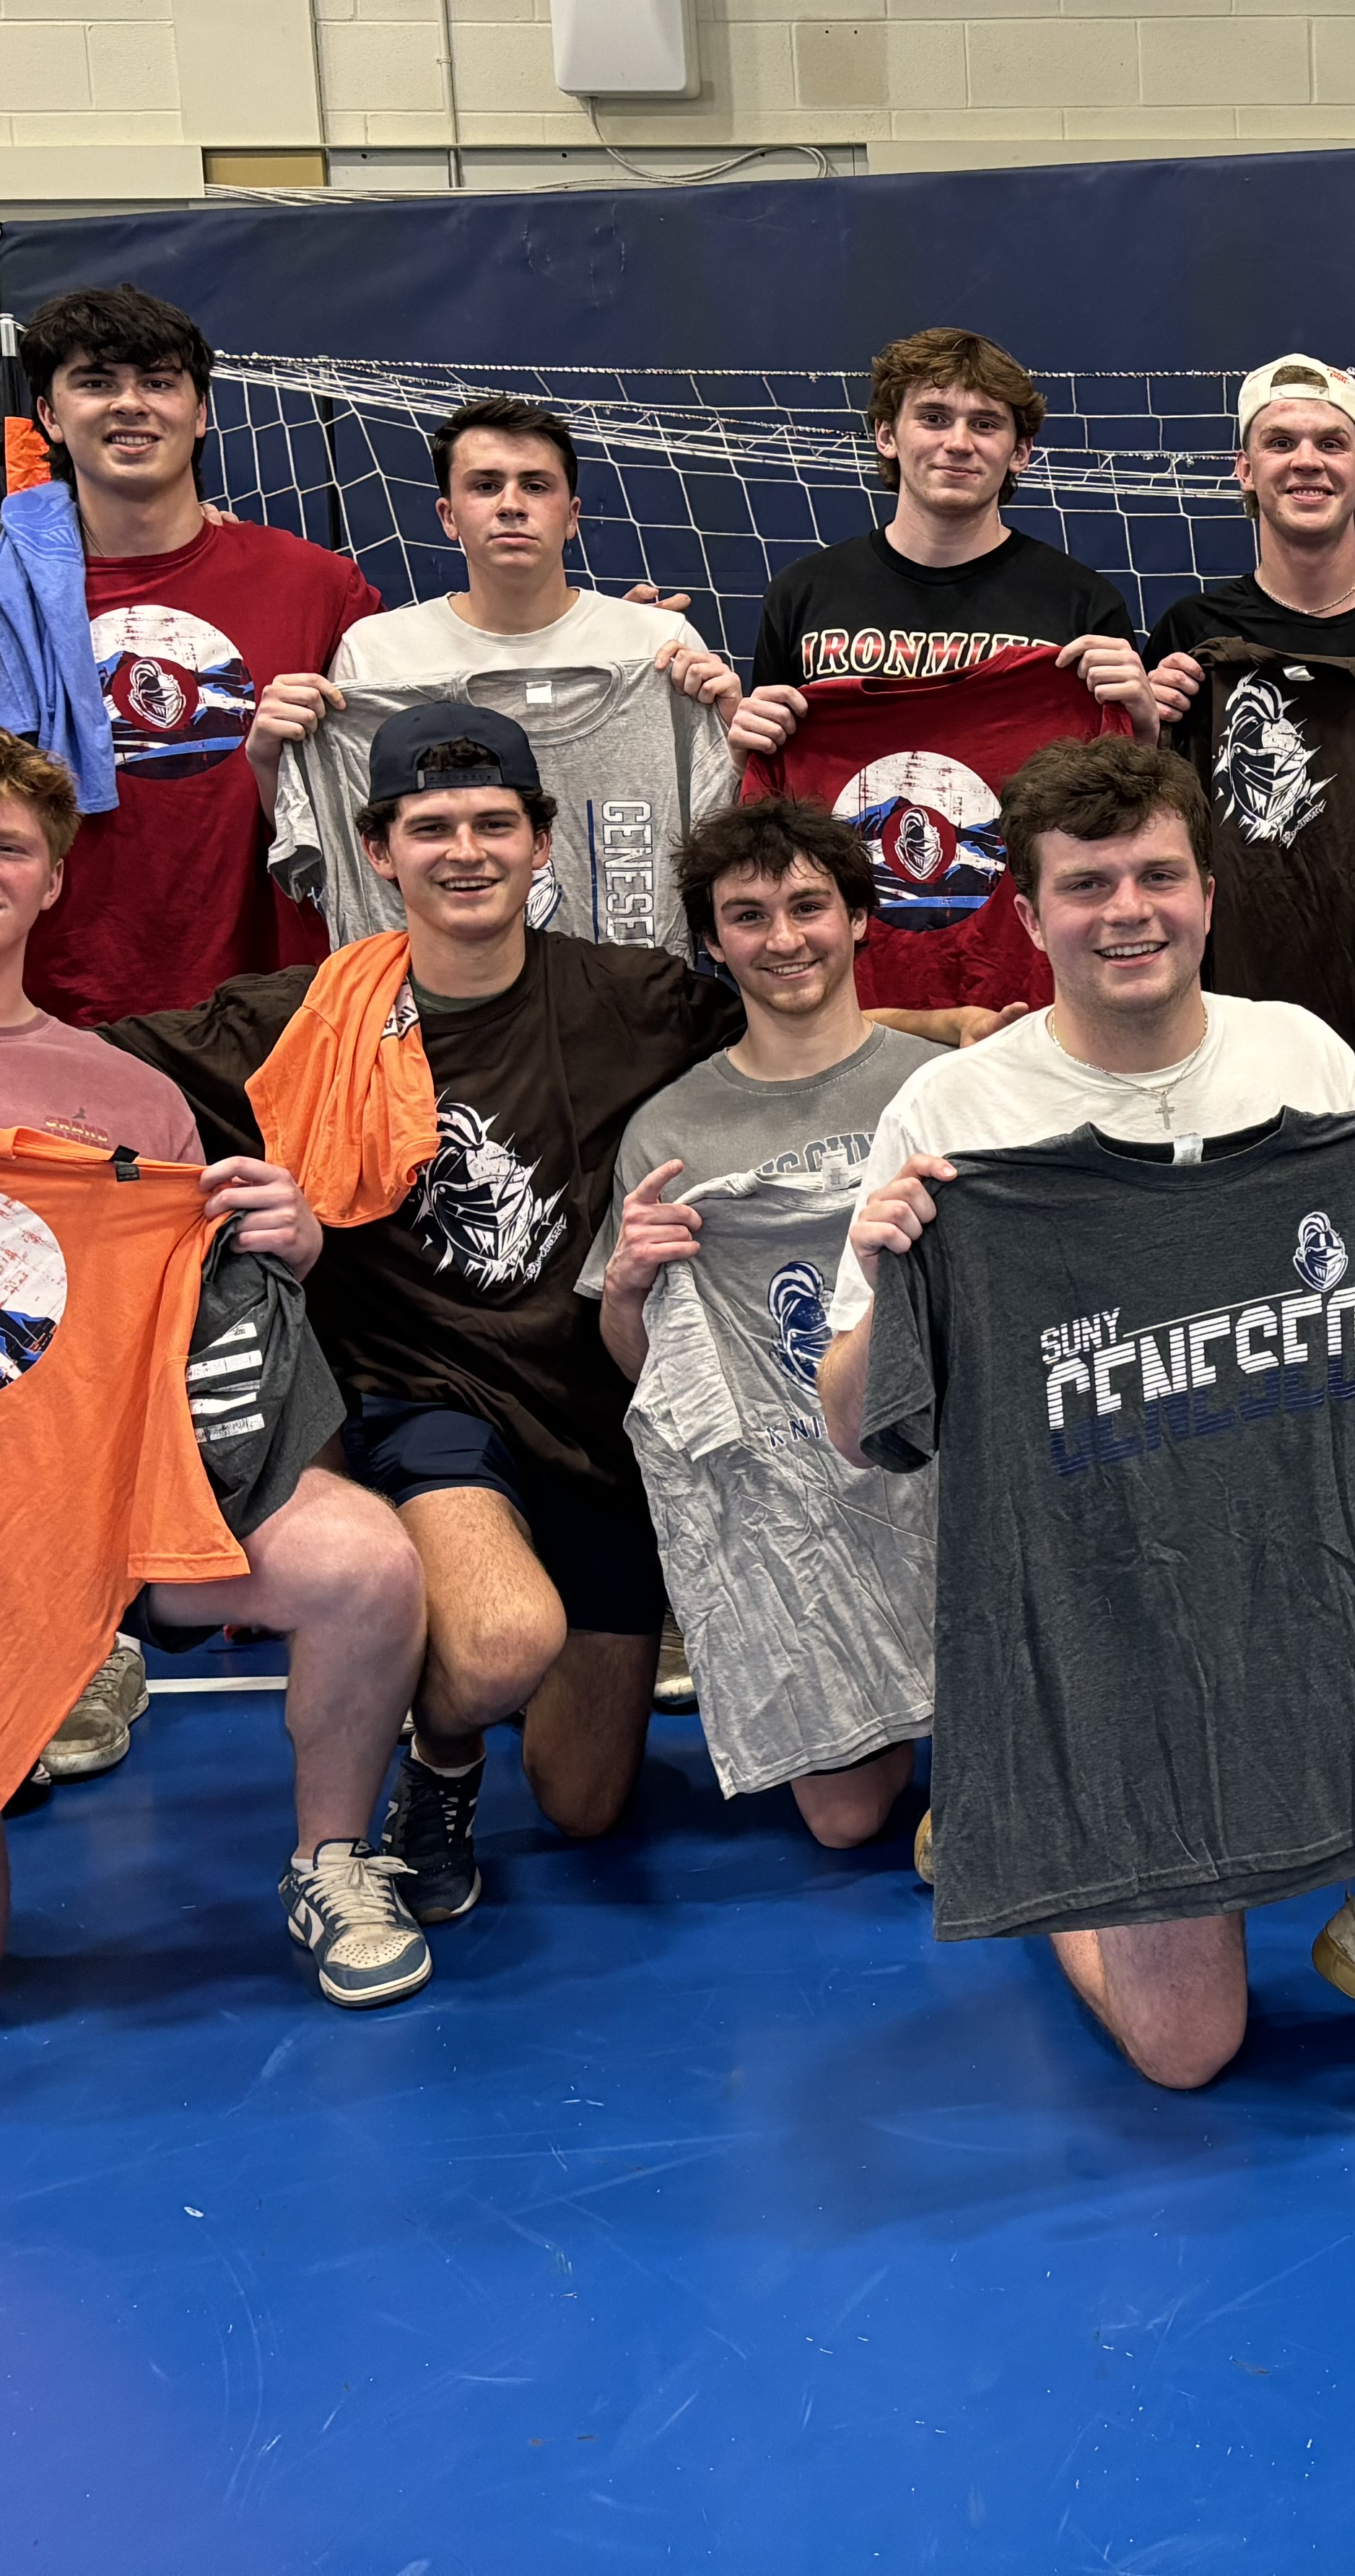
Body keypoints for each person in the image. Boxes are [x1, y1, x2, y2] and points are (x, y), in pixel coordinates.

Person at [815, 737, 1355, 2092]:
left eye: (1159, 875)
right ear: (1027, 910)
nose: (1129, 910)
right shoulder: (955, 1110)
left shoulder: (1296, 1049)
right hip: (1121, 1590)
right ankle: (1074, 1867)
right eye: (1089, 884)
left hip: (1342, 1515)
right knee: (1187, 2049)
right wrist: (895, 1278)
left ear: (1208, 890)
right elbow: (851, 1422)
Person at [107, 707, 979, 1915]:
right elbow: (69, 1071)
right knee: (503, 1639)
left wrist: (976, 1036)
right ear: (378, 849)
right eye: (430, 827)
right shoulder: (293, 1023)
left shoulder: (636, 999)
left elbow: (801, 1014)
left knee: (583, 1800)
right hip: (429, 1407)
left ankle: (465, 1686)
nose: (464, 849)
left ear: (539, 839)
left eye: (491, 823)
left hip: (595, 1424)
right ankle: (443, 1756)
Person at [0, 723, 433, 2012]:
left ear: (54, 879)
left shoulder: (127, 1098)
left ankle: (333, 1857)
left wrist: (283, 1244)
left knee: (363, 1563)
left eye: (7, 845)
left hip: (92, 1506)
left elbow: (166, 1326)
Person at [582, 793, 944, 1851]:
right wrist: (630, 1292)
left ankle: (993, 1739)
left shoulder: (938, 1088)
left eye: (808, 906)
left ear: (862, 918)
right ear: (709, 941)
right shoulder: (672, 1131)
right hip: (800, 1505)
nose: (784, 939)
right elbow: (654, 1382)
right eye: (748, 916)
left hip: (947, 1480)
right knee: (842, 1823)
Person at [0, 282, 385, 1022]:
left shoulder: (317, 585)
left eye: (158, 382)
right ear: (52, 419)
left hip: (273, 1008)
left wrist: (612, 627)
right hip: (40, 1010)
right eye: (96, 383)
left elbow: (406, 765)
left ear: (201, 412)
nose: (130, 403)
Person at [1141, 351, 1355, 1009]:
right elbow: (1151, 832)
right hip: (1230, 993)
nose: (1306, 461)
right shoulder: (1193, 632)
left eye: (1331, 443)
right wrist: (1146, 730)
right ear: (1245, 471)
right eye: (1279, 442)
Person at [728, 328, 1150, 746]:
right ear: (887, 436)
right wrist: (743, 756)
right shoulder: (801, 594)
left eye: (985, 424)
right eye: (934, 418)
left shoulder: (1083, 605)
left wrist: (1146, 734)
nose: (959, 443)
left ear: (1019, 452)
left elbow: (1114, 798)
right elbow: (773, 787)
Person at [337, 393, 740, 704]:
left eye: (535, 486)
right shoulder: (377, 654)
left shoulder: (658, 644)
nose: (511, 505)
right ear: (449, 517)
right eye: (486, 486)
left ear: (571, 516)